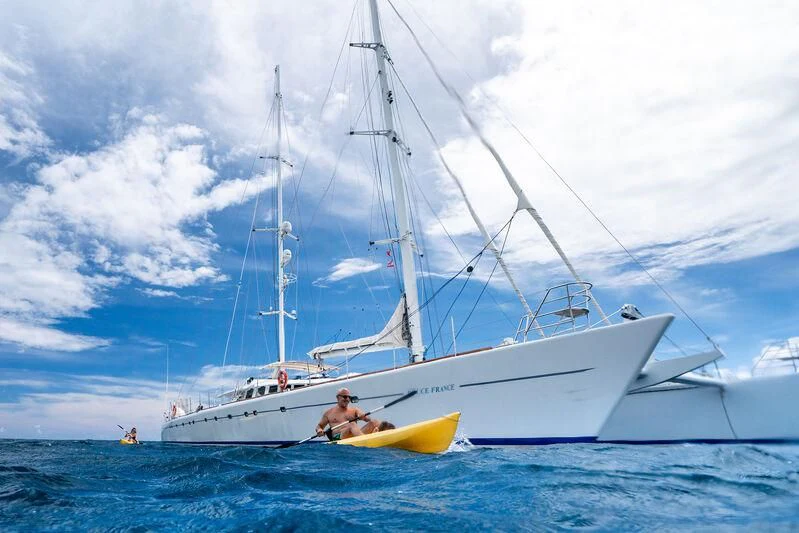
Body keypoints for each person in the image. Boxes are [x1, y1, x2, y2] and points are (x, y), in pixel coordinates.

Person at [315, 388, 381, 440]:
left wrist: (363, 417)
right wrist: (319, 430)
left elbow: (368, 419)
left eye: (349, 397)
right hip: (338, 437)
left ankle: (372, 438)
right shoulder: (329, 413)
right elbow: (319, 426)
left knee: (375, 422)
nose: (347, 399)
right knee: (351, 424)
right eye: (345, 397)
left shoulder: (355, 410)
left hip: (354, 435)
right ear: (338, 398)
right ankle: (368, 439)